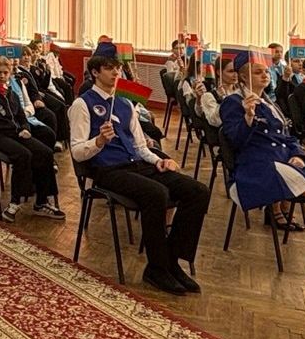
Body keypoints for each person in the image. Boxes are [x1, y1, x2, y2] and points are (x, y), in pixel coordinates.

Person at [69, 42, 209, 295]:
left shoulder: (125, 104)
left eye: (117, 67)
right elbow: (77, 151)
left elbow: (140, 147)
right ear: (95, 72)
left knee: (197, 191)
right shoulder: (82, 104)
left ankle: (172, 260)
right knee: (156, 194)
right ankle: (156, 268)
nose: (116, 72)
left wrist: (158, 161)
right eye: (109, 68)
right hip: (107, 170)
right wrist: (98, 141)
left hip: (136, 164)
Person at [221, 53, 305, 281]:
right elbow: (234, 141)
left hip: (283, 160)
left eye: (266, 71)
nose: (265, 75)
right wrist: (248, 118)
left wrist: (297, 154)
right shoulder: (233, 102)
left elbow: (287, 135)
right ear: (243, 77)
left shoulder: (269, 102)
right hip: (257, 168)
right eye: (257, 72)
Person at [0, 57, 63, 222]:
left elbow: (22, 117)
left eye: (5, 73)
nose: (2, 76)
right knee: (24, 155)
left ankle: (42, 201)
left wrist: (25, 129)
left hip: (16, 133)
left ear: (9, 74)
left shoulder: (12, 94)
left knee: (45, 152)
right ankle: (15, 202)